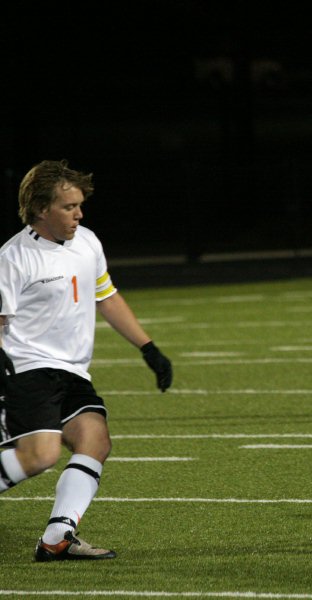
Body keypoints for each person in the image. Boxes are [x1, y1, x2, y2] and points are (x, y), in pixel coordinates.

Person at [0, 160, 173, 562]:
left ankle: (57, 537)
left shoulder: (88, 242)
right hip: (28, 368)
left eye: (80, 205)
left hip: (72, 370)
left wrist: (148, 348)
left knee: (95, 440)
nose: (79, 214)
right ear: (41, 209)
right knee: (40, 456)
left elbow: (107, 297)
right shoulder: (14, 257)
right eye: (69, 206)